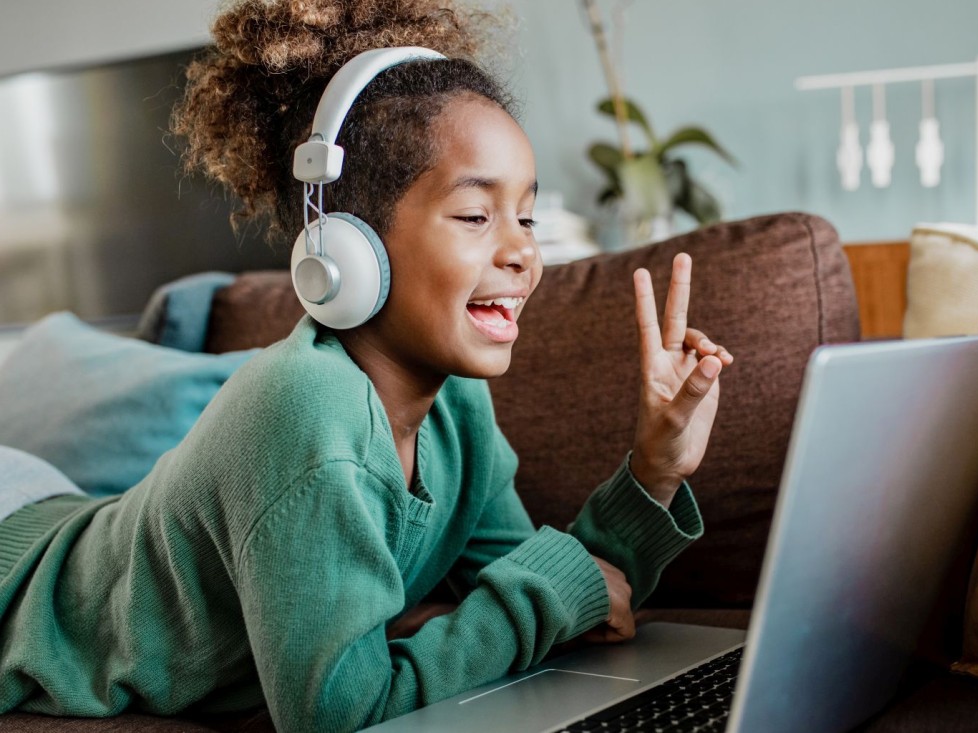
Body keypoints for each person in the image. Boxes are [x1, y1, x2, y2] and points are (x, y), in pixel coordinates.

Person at [0, 0, 733, 730]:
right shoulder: (303, 409)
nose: (524, 253)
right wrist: (525, 602)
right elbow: (338, 715)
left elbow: (562, 594)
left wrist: (654, 470)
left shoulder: (458, 408)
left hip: (59, 515)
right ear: (347, 249)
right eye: (477, 216)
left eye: (528, 216)